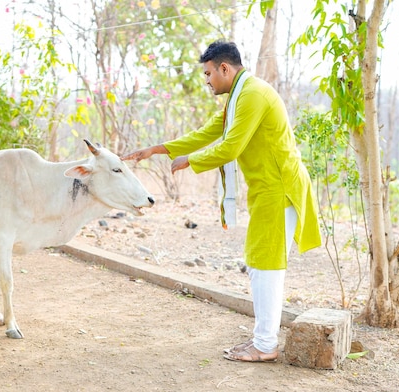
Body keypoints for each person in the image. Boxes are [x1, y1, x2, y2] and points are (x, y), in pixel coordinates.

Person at [122, 40, 321, 363]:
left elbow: (230, 147)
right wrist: (157, 149)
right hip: (267, 190)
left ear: (224, 68)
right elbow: (208, 132)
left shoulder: (253, 94)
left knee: (266, 268)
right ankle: (262, 339)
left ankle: (265, 344)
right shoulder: (240, 96)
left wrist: (191, 161)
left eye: (208, 73)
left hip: (279, 189)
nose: (207, 81)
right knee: (259, 265)